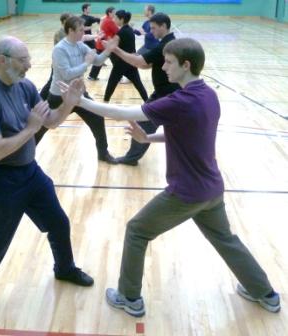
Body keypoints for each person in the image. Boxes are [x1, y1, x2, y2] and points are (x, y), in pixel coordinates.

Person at [59, 37, 281, 317]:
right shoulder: (208, 94)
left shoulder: (180, 101)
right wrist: (149, 137)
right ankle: (266, 294)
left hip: (186, 193)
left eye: (169, 62)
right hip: (211, 190)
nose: (163, 67)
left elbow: (121, 112)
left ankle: (129, 297)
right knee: (226, 239)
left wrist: (80, 102)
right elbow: (187, 134)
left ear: (186, 65)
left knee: (137, 230)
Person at [0, 36, 94, 319]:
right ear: (2, 60)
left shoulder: (25, 86)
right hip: (0, 178)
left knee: (58, 222)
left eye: (28, 59)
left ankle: (64, 269)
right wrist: (31, 128)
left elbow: (51, 121)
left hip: (30, 172)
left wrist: (68, 103)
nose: (29, 65)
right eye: (23, 59)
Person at [109, 13, 180, 166]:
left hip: (165, 95)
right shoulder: (167, 42)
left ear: (163, 26)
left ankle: (131, 158)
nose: (151, 31)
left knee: (144, 123)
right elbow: (147, 64)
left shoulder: (165, 45)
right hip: (165, 93)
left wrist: (116, 50)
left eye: (154, 28)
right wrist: (136, 58)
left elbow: (141, 62)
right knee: (173, 129)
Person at [44, 16, 117, 164]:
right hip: (59, 96)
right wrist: (86, 63)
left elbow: (96, 60)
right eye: (80, 30)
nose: (83, 33)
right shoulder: (60, 49)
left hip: (79, 95)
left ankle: (103, 153)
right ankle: (25, 154)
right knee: (42, 126)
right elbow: (67, 74)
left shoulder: (79, 44)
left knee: (97, 118)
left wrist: (108, 51)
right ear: (70, 31)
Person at [103, 10, 148, 103]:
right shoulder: (129, 29)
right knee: (138, 84)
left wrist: (104, 41)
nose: (114, 19)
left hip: (122, 62)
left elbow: (112, 46)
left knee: (112, 81)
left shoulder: (122, 32)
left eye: (116, 18)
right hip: (131, 61)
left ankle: (105, 101)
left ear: (122, 19)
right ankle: (148, 101)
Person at [88, 6, 118, 81]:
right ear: (109, 13)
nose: (115, 14)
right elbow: (117, 31)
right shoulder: (109, 21)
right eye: (114, 12)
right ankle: (119, 76)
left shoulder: (107, 19)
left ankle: (92, 76)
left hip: (102, 44)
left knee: (100, 61)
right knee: (116, 61)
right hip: (105, 45)